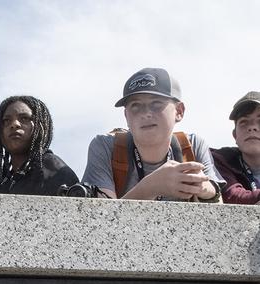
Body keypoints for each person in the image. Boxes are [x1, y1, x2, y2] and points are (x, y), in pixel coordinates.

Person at [82, 68, 223, 201]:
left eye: (156, 103)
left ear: (179, 111)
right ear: (126, 116)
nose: (145, 113)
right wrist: (150, 187)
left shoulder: (192, 146)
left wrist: (205, 188)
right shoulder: (106, 147)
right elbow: (102, 219)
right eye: (135, 106)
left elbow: (220, 210)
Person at [0, 96, 79, 196]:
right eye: (7, 120)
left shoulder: (56, 172)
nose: (14, 124)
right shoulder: (2, 182)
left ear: (41, 126)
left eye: (24, 118)